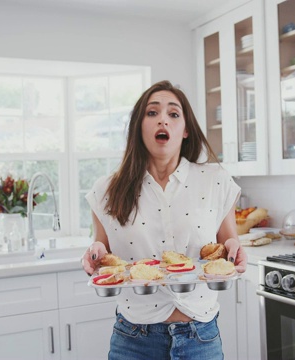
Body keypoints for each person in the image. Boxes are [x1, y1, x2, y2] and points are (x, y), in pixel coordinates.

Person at [81, 80, 247, 360]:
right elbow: (102, 249)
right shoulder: (106, 189)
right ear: (139, 127)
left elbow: (227, 240)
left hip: (200, 337)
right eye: (152, 113)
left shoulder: (215, 180)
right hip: (134, 340)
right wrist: (95, 254)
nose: (163, 120)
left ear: (185, 130)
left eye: (173, 114)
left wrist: (234, 248)